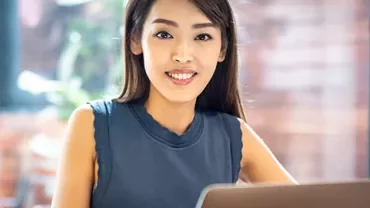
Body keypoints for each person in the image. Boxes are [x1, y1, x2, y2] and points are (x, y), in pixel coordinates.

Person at [51, 0, 297, 207]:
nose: (182, 54)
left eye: (202, 36)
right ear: (135, 40)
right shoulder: (92, 124)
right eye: (164, 34)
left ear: (222, 49)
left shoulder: (234, 135)